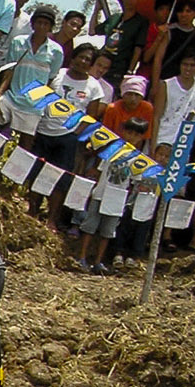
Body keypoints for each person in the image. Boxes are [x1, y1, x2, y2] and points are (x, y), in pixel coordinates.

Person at [28, 43, 104, 230]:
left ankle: (52, 219)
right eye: (81, 57)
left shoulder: (94, 86)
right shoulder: (57, 75)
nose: (83, 61)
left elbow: (92, 115)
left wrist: (77, 133)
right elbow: (39, 96)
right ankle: (32, 211)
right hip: (44, 130)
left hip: (68, 138)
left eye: (88, 60)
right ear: (74, 57)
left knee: (60, 180)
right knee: (36, 173)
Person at [0, 2, 63, 146]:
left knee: (25, 145)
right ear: (33, 24)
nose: (42, 27)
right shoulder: (18, 42)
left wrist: (41, 104)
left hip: (33, 105)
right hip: (12, 97)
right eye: (39, 22)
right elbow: (9, 70)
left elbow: (50, 79)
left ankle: (13, 168)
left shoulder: (56, 51)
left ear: (50, 27)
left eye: (46, 24)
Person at [76, 115, 149, 272]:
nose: (132, 137)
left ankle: (98, 261)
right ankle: (81, 257)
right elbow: (100, 170)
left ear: (141, 137)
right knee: (90, 226)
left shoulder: (138, 158)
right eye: (130, 133)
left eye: (137, 135)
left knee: (108, 231)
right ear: (123, 132)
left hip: (118, 198)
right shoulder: (112, 149)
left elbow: (135, 181)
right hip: (101, 193)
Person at [151, 49, 195, 146]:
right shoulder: (166, 85)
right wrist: (152, 146)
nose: (188, 68)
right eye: (185, 64)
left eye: (192, 65)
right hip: (162, 138)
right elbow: (156, 117)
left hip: (183, 142)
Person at [93, 0, 151, 84]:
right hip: (103, 66)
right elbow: (92, 31)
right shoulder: (115, 18)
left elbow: (138, 48)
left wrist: (130, 71)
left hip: (120, 69)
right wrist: (96, 10)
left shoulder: (141, 22)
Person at [149, 0, 195, 79]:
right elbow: (158, 59)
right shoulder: (169, 31)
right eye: (180, 11)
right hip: (168, 78)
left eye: (188, 11)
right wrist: (155, 83)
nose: (184, 14)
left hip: (189, 81)